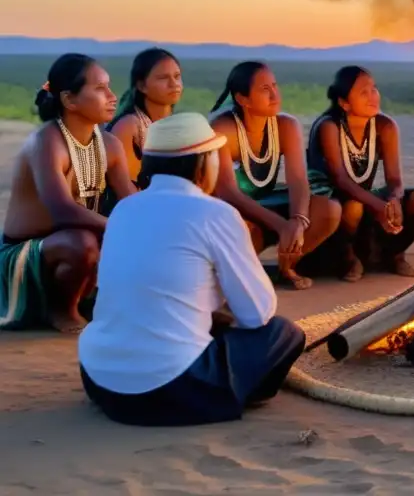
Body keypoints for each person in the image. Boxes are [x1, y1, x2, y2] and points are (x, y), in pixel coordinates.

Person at [78, 113, 305, 426]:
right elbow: (257, 313)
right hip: (171, 390)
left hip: (100, 380)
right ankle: (239, 393)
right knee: (283, 332)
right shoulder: (216, 213)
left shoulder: (123, 210)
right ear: (203, 163)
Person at [1, 54, 135, 333]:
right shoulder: (46, 141)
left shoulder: (109, 145)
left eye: (109, 86)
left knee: (135, 238)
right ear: (69, 100)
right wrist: (117, 227)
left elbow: (132, 203)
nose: (112, 96)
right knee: (83, 242)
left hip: (74, 244)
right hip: (26, 254)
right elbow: (61, 209)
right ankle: (61, 310)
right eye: (99, 89)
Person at [209, 62, 341, 290]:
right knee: (248, 233)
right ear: (243, 99)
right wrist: (282, 225)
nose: (274, 94)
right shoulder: (223, 129)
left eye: (275, 85)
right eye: (264, 89)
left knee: (329, 210)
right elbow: (227, 192)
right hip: (234, 210)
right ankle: (241, 274)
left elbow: (298, 180)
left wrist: (298, 221)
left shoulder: (286, 125)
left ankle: (286, 266)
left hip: (268, 200)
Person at [307, 66, 414, 281]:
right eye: (363, 92)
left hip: (365, 200)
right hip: (332, 206)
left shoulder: (385, 126)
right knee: (353, 207)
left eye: (374, 89)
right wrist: (379, 206)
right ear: (344, 103)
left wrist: (394, 199)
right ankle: (349, 258)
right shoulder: (329, 127)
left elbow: (394, 179)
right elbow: (340, 180)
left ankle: (394, 254)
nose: (373, 96)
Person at [107, 47, 183, 186]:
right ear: (142, 86)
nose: (174, 84)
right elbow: (123, 189)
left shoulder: (178, 124)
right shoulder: (129, 126)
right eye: (163, 78)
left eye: (177, 76)